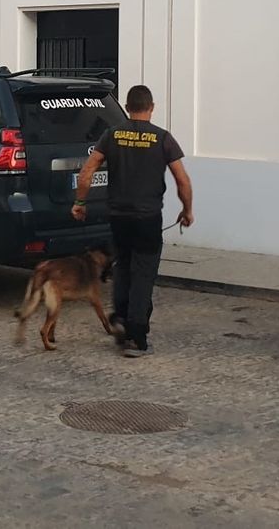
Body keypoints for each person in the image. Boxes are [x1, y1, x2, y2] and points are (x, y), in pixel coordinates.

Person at [71, 84, 193, 358]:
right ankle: (136, 338)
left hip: (118, 217)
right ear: (151, 107)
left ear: (127, 108)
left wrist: (80, 203)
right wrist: (187, 210)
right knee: (143, 273)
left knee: (123, 267)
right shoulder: (163, 138)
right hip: (148, 218)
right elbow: (182, 180)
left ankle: (120, 320)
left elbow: (87, 170)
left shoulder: (111, 135)